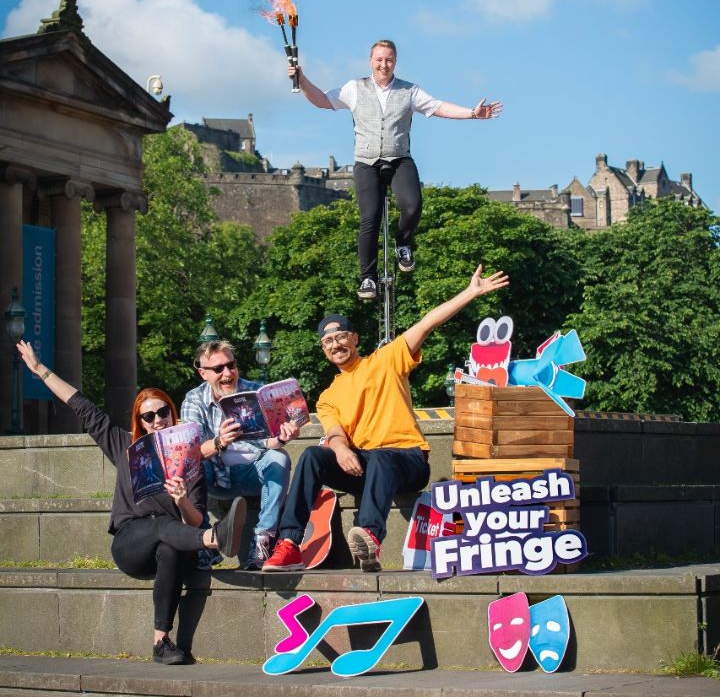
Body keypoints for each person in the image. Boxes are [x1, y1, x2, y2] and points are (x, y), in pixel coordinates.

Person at [263, 263, 510, 572]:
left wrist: (470, 293)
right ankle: (289, 545)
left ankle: (369, 536)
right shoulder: (327, 396)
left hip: (408, 461)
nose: (335, 345)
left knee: (380, 457)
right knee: (314, 455)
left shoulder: (385, 361)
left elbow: (425, 324)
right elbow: (335, 432)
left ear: (354, 338)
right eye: (328, 342)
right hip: (364, 467)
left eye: (340, 337)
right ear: (323, 349)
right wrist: (340, 449)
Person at [16, 340, 246, 666]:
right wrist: (40, 371)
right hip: (131, 545)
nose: (156, 420)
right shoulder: (124, 445)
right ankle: (214, 539)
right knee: (159, 525)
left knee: (170, 545)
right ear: (140, 421)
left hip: (171, 548)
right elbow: (82, 406)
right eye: (148, 416)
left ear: (171, 412)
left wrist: (181, 500)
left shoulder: (190, 463)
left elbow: (193, 520)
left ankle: (161, 642)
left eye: (162, 412)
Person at [289, 41, 502, 299]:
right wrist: (301, 80)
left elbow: (438, 107)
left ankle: (403, 244)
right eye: (379, 59)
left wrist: (472, 113)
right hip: (367, 162)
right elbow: (322, 100)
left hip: (399, 158)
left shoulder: (409, 91)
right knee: (370, 217)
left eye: (388, 60)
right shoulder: (355, 88)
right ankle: (368, 277)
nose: (383, 65)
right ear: (371, 61)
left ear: (395, 62)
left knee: (412, 205)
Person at [180, 339, 300, 569]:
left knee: (280, 457)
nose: (227, 373)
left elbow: (269, 441)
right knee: (193, 464)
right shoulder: (194, 400)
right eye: (218, 369)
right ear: (203, 373)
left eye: (231, 365)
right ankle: (205, 544)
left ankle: (262, 542)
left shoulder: (255, 391)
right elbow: (191, 452)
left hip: (253, 472)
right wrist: (219, 441)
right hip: (215, 477)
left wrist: (283, 436)